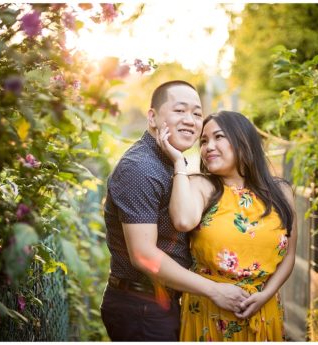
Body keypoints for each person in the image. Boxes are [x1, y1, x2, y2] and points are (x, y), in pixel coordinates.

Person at [100, 81, 250, 341]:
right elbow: (143, 255)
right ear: (153, 117)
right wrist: (215, 291)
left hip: (159, 303)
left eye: (196, 113)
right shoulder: (141, 168)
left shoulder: (169, 162)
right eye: (180, 111)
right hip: (140, 308)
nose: (190, 120)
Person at [157, 110, 297, 341]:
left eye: (218, 137)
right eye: (203, 141)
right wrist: (178, 163)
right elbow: (182, 221)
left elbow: (289, 255)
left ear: (243, 141)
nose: (208, 146)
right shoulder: (201, 185)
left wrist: (265, 296)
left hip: (264, 308)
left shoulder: (281, 192)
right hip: (209, 310)